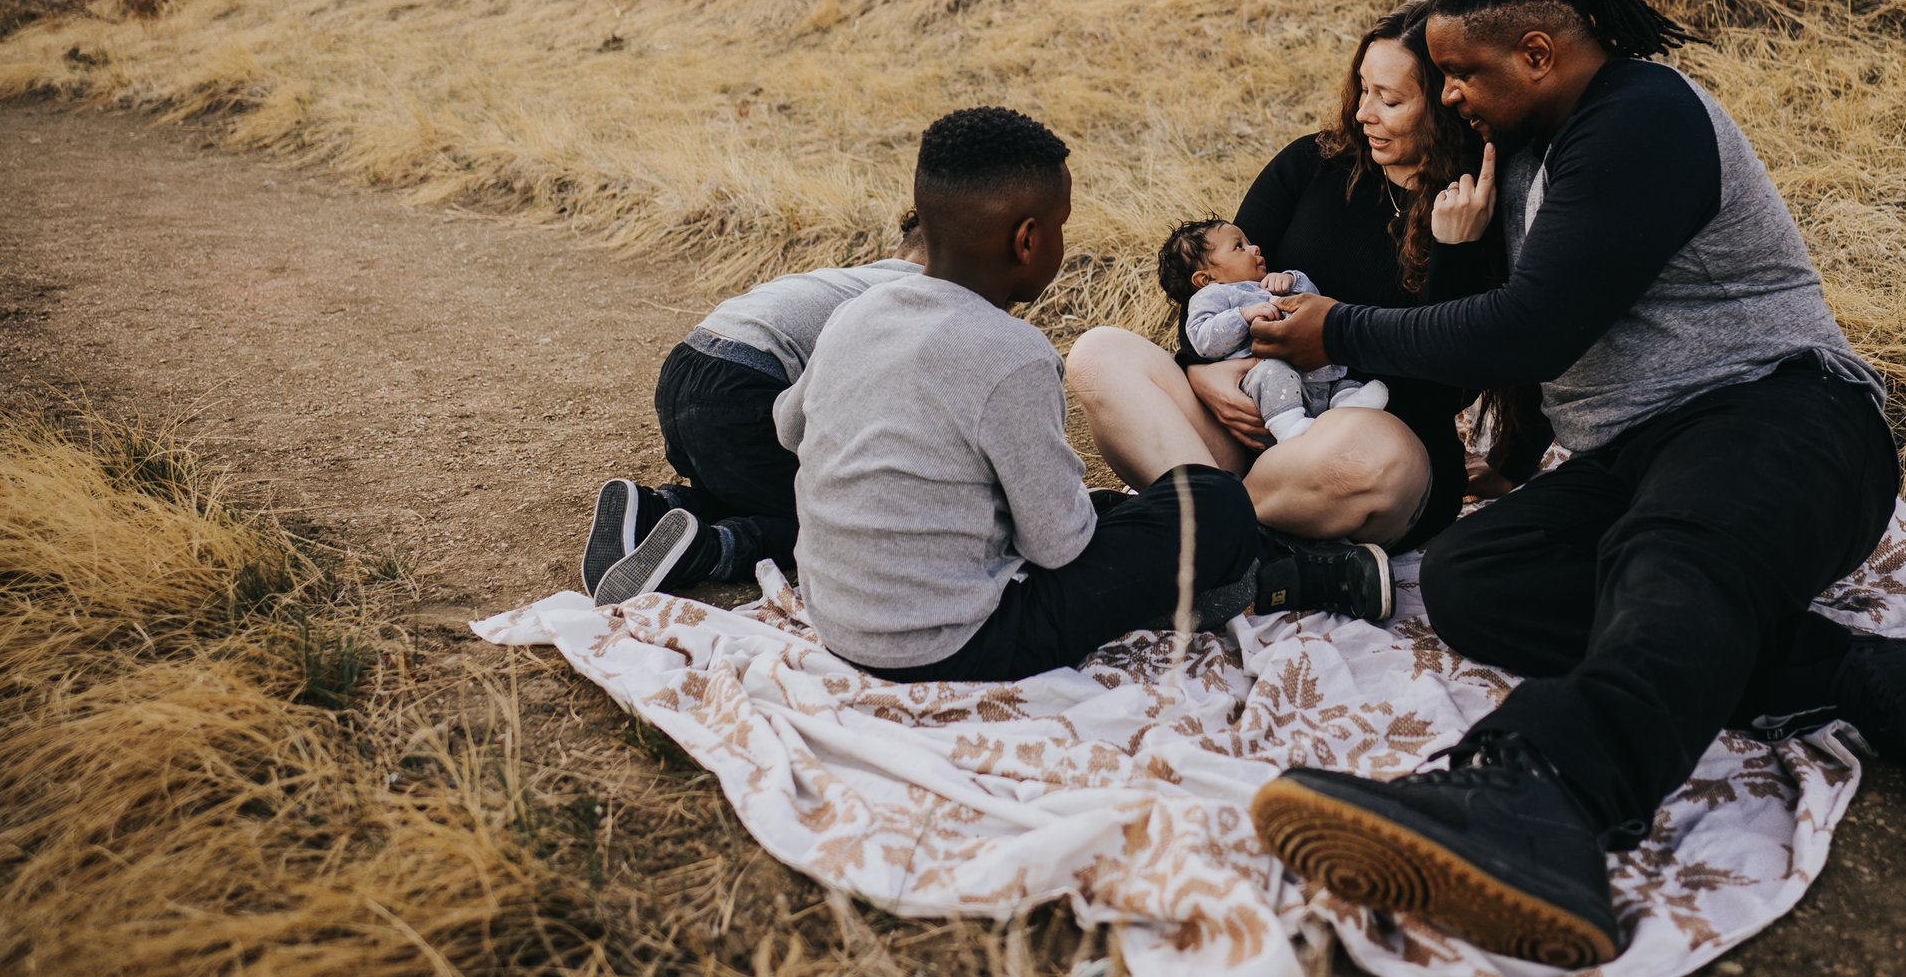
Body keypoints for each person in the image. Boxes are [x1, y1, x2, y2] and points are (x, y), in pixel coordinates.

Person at [1245, 0, 1906, 969]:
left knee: (1670, 551)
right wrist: (1460, 253)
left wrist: (1338, 328)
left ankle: (1546, 795)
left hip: (1782, 417)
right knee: (1477, 575)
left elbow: (1537, 327)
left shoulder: (1640, 117)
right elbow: (1487, 347)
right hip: (1638, 451)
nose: (1448, 92)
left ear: (1541, 54)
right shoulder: (1524, 157)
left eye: (1463, 71)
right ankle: (1876, 679)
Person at [784, 106, 1386, 683]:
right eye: (1062, 226)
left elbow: (789, 425)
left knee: (1119, 510)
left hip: (838, 618)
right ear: (1027, 240)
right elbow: (1057, 544)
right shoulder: (1010, 352)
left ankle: (1255, 573)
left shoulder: (857, 312)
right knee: (1216, 503)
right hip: (958, 639)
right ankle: (1276, 582)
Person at [1068, 2, 1502, 560]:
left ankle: (1192, 532)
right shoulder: (1312, 162)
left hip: (1361, 439)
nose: (1365, 112)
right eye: (1362, 89)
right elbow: (1218, 284)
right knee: (1098, 355)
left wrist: (1455, 250)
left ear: (1445, 104)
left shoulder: (1472, 208)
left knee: (1369, 456)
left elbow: (1450, 376)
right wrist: (1202, 373)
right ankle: (1236, 547)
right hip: (1252, 427)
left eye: (1389, 100)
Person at [584, 216, 925, 606]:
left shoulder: (846, 277)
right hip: (742, 388)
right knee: (832, 519)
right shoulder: (913, 300)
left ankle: (655, 509)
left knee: (755, 485)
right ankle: (710, 551)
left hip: (682, 370)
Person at [1160, 218, 1389, 442]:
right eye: (1239, 246)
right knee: (1273, 370)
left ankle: (1346, 402)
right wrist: (1243, 316)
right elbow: (1203, 340)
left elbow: (1313, 302)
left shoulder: (1267, 283)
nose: (1254, 247)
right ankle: (1290, 427)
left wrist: (1292, 280)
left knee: (1334, 373)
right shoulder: (1211, 296)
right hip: (1263, 382)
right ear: (1207, 278)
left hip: (1306, 374)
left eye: (1248, 242)